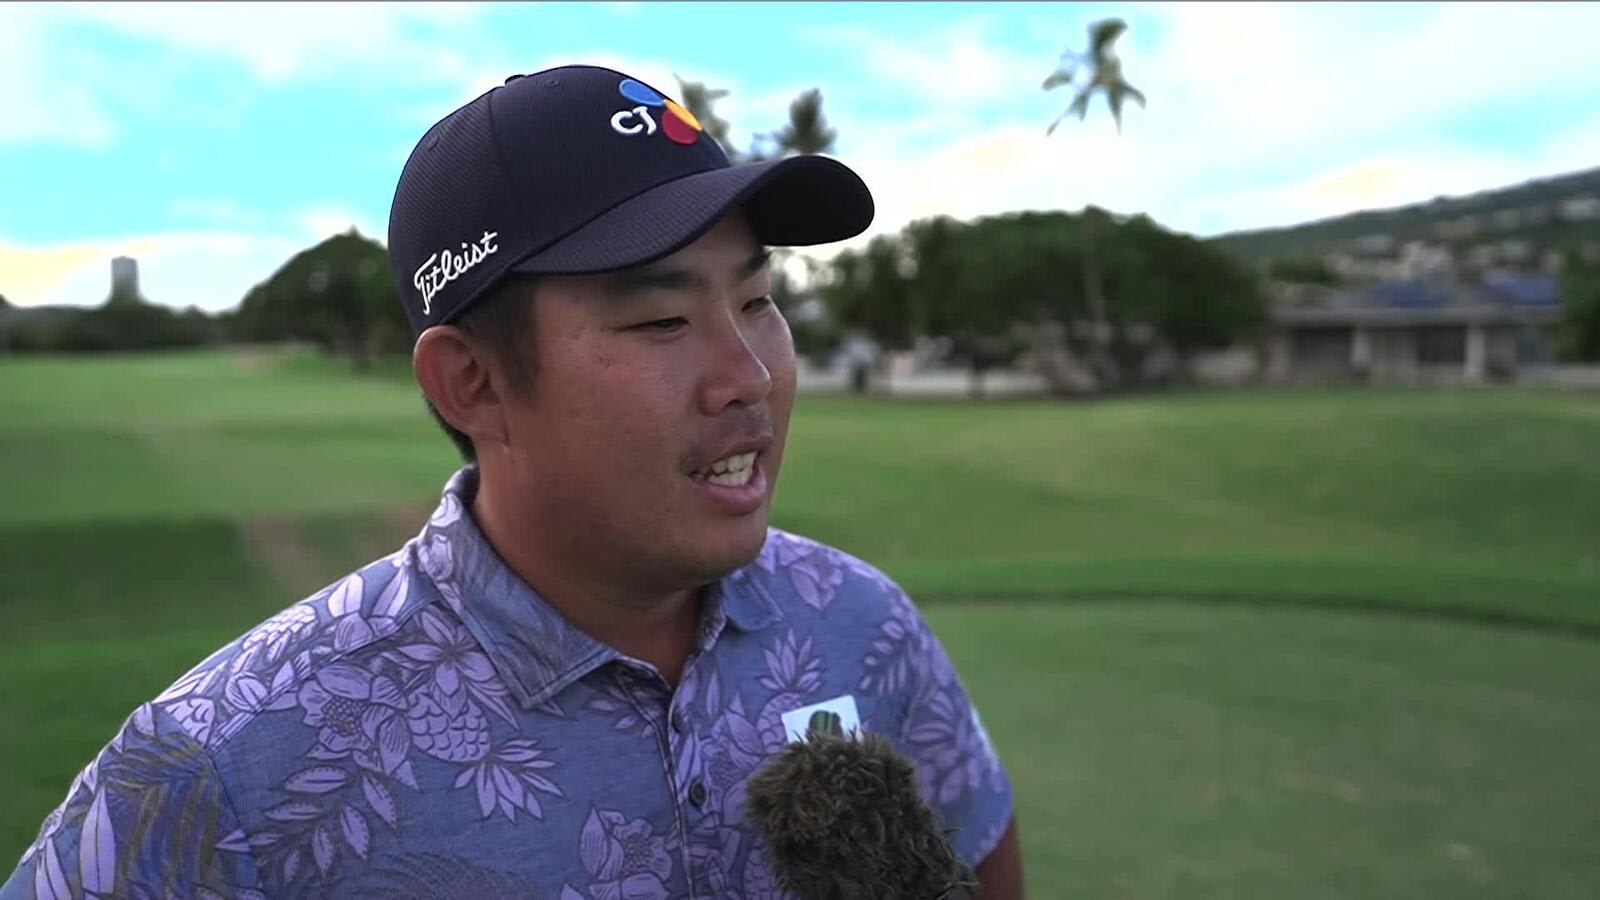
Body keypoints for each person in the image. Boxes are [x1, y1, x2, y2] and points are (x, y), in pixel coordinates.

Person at [2, 64, 1022, 899]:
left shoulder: (863, 626)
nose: (749, 375)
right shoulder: (229, 765)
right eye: (660, 320)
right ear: (474, 384)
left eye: (756, 299)